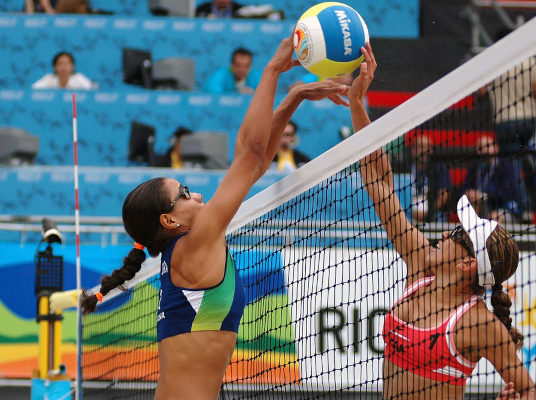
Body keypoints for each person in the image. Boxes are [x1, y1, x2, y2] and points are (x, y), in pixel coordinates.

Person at [80, 37, 349, 399]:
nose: (198, 196)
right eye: (185, 194)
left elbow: (254, 165)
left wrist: (293, 99)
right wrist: (272, 70)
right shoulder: (194, 244)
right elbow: (249, 153)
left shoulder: (189, 247)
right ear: (169, 221)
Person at [352, 43, 536, 399]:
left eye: (457, 232)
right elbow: (378, 182)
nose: (444, 231)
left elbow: (530, 393)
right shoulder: (422, 265)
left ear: (468, 263)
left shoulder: (480, 323)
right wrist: (357, 104)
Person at [486, 28, 536, 218]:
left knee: (512, 164)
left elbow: (481, 91)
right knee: (519, 161)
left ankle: (524, 208)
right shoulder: (529, 60)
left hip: (505, 123)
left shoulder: (492, 64)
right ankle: (525, 202)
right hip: (528, 122)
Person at [460, 134, 520, 224]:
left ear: (496, 148)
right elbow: (464, 189)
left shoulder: (506, 166)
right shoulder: (475, 169)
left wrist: (483, 195)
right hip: (481, 209)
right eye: (480, 147)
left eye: (487, 146)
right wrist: (470, 194)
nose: (484, 150)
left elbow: (507, 193)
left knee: (494, 219)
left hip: (503, 209)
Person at [407, 134, 451, 223]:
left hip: (432, 212)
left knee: (439, 217)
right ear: (412, 150)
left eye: (427, 147)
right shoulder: (405, 168)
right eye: (420, 147)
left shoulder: (439, 169)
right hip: (408, 212)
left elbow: (444, 195)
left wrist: (428, 211)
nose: (424, 150)